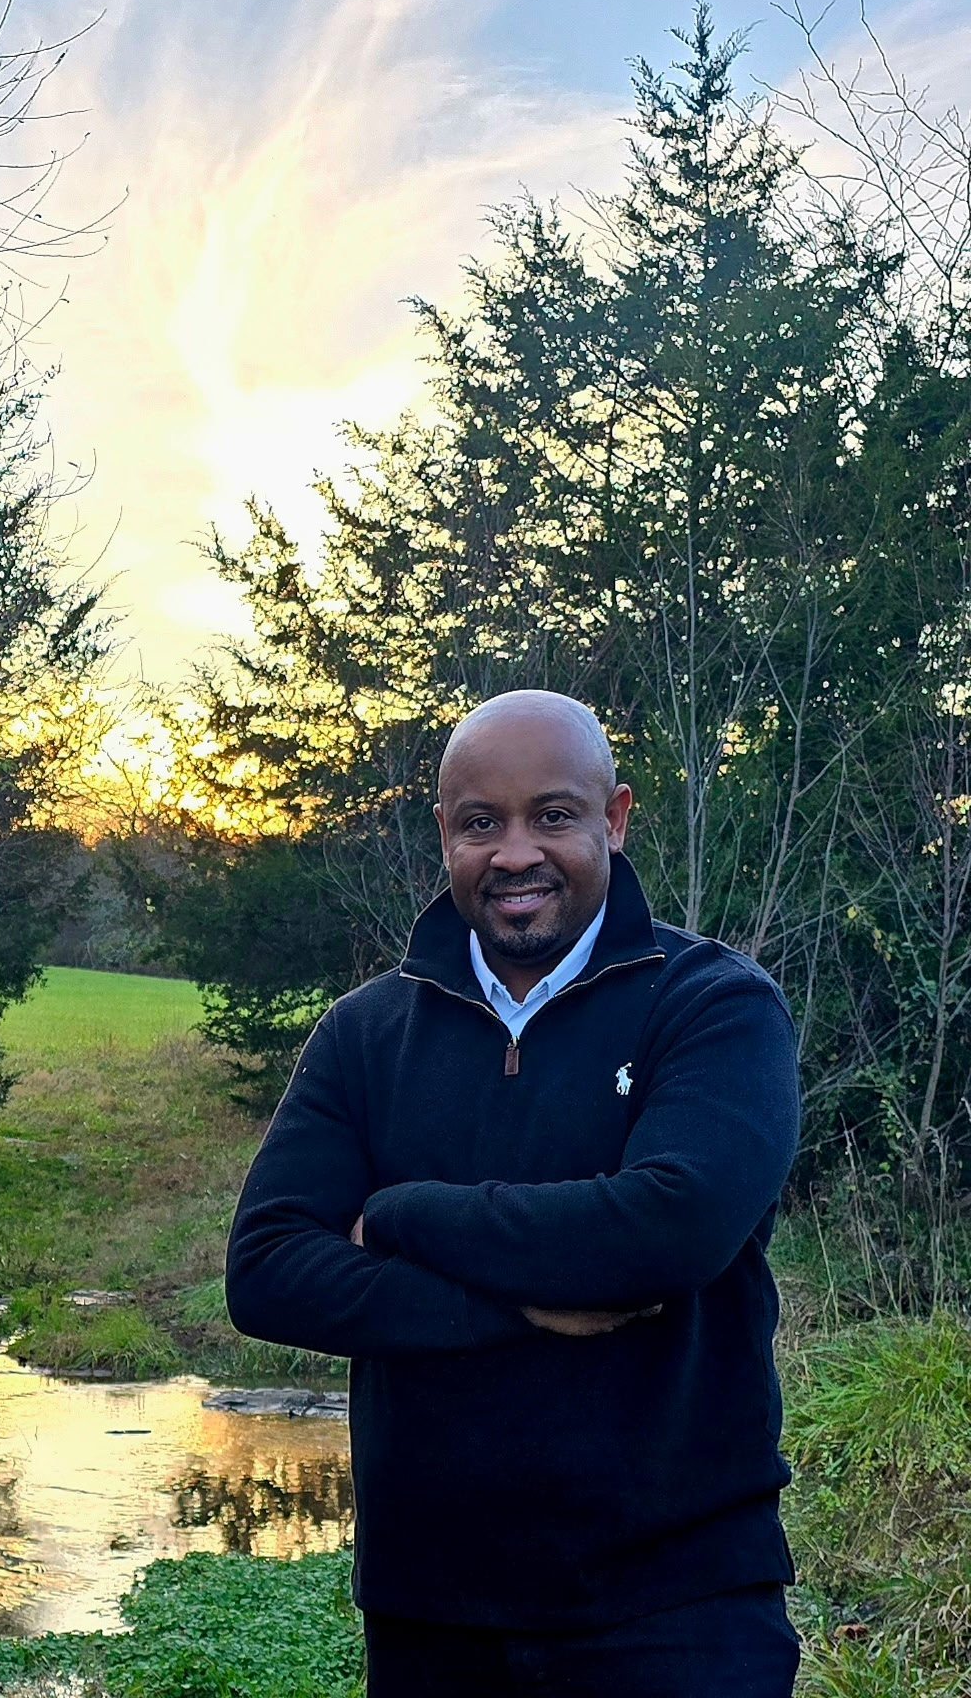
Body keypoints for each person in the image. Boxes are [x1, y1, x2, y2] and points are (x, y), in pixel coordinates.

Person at [225, 690, 802, 1697]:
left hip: (677, 1611)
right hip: (432, 1616)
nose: (515, 853)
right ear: (443, 834)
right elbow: (267, 1269)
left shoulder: (712, 1004)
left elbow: (669, 1228)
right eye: (481, 823)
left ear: (613, 821)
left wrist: (400, 1213)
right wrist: (519, 1300)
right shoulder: (367, 1034)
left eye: (553, 816)